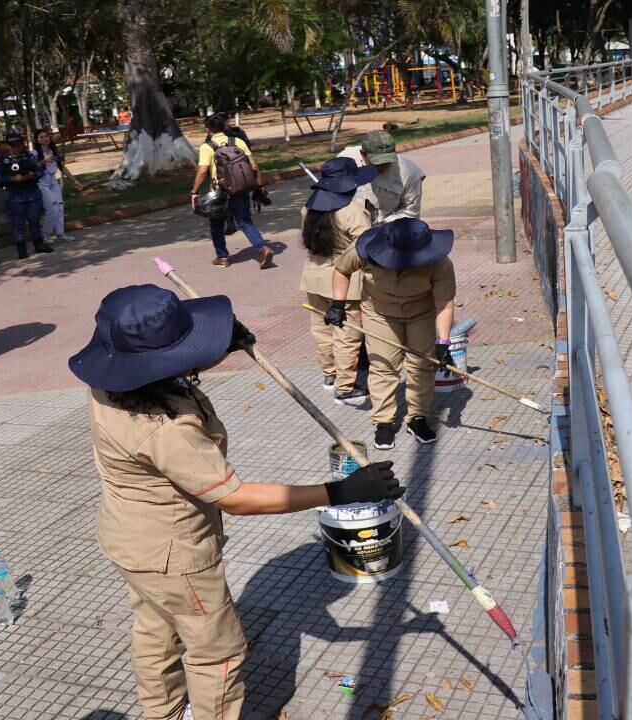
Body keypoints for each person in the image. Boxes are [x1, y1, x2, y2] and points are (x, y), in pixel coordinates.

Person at [69, 284, 402, 720]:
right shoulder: (165, 429)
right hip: (174, 555)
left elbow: (164, 362)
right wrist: (340, 492)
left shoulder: (111, 385)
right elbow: (237, 498)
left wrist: (221, 344)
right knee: (219, 652)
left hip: (129, 539)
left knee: (156, 631)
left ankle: (164, 714)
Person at [326, 218, 456, 450]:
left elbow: (445, 302)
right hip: (379, 313)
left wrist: (443, 341)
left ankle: (417, 417)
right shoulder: (364, 250)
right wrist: (338, 304)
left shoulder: (440, 262)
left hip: (421, 313)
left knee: (422, 365)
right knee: (383, 366)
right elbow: (341, 270)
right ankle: (384, 422)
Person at [300, 157, 375, 406]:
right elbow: (366, 247)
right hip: (344, 281)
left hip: (313, 275)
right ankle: (346, 387)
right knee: (347, 334)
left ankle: (330, 376)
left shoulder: (307, 209)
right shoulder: (351, 212)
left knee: (322, 331)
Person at [190, 113, 273, 269]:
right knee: (246, 222)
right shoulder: (238, 142)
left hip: (219, 192)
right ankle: (263, 248)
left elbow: (202, 172)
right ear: (224, 127)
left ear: (208, 129)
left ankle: (222, 257)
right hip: (241, 189)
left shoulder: (207, 147)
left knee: (216, 225)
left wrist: (194, 192)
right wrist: (259, 186)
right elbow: (254, 167)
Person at [337, 130, 425, 225]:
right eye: (377, 163)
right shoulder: (345, 160)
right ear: (363, 154)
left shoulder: (410, 173)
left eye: (387, 162)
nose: (383, 167)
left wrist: (382, 227)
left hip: (387, 228)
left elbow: (411, 212)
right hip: (348, 223)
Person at [0, 133, 52, 258]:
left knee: (34, 220)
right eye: (13, 146)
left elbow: (40, 170)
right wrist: (12, 178)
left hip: (32, 192)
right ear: (8, 146)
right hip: (15, 195)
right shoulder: (2, 159)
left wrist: (33, 175)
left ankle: (39, 244)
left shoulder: (29, 156)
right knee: (18, 223)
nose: (16, 148)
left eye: (19, 145)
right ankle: (21, 249)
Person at [33, 128, 83, 244]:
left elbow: (61, 167)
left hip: (53, 181)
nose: (45, 138)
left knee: (60, 207)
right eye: (41, 137)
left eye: (46, 136)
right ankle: (46, 234)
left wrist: (74, 181)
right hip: (41, 182)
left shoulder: (53, 150)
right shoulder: (34, 153)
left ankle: (61, 233)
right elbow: (31, 168)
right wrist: (42, 162)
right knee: (52, 207)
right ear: (37, 140)